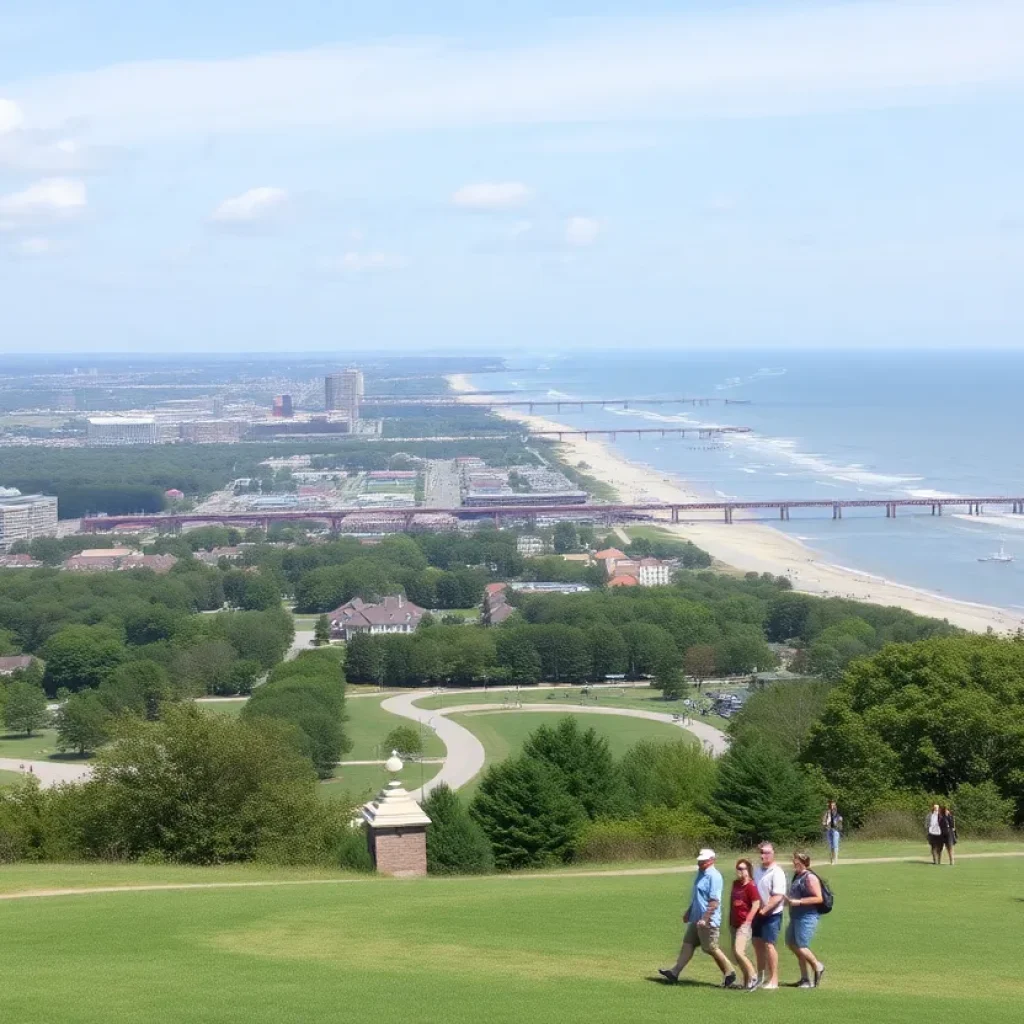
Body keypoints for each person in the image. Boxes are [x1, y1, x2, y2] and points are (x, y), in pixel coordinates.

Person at [659, 848, 737, 989]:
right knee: (688, 943)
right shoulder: (700, 874)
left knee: (710, 947)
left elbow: (714, 901)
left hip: (708, 921)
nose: (700, 863)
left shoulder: (714, 876)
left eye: (704, 861)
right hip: (696, 918)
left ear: (711, 860)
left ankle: (730, 972)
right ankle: (674, 972)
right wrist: (689, 912)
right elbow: (697, 897)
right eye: (700, 860)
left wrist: (705, 919)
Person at [784, 852, 826, 989]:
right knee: (791, 943)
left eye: (795, 862)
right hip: (795, 916)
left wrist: (799, 902)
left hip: (807, 916)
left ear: (802, 862)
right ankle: (804, 979)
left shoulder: (810, 877)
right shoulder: (798, 876)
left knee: (801, 946)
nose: (793, 864)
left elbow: (818, 898)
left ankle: (817, 966)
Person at [752, 842, 787, 990]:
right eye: (761, 852)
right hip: (758, 913)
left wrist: (764, 910)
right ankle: (760, 977)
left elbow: (778, 896)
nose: (763, 855)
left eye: (766, 852)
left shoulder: (776, 872)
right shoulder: (757, 870)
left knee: (769, 945)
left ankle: (774, 980)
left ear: (773, 854)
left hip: (772, 913)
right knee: (757, 944)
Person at [729, 859, 761, 990]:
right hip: (734, 923)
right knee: (736, 955)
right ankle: (746, 982)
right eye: (738, 868)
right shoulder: (735, 884)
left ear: (748, 870)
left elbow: (756, 904)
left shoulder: (751, 886)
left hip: (744, 924)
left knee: (739, 951)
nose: (739, 871)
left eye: (742, 868)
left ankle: (753, 976)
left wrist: (748, 921)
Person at [822, 801, 843, 865]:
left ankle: (835, 860)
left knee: (835, 845)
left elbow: (839, 820)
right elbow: (823, 822)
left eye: (834, 805)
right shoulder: (827, 813)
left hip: (835, 830)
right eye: (831, 805)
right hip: (829, 830)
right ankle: (832, 859)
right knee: (831, 846)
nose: (832, 807)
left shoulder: (837, 814)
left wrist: (840, 820)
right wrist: (825, 823)